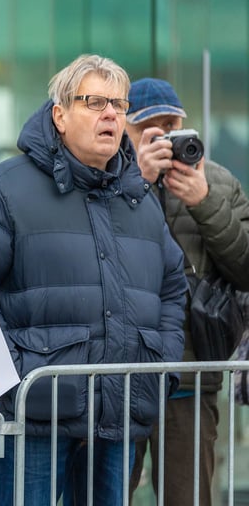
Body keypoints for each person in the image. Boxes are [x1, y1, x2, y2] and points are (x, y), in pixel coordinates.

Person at [0, 54, 188, 506]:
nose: (111, 114)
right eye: (94, 102)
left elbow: (173, 289)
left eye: (118, 104)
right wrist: (0, 385)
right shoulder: (5, 187)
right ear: (60, 115)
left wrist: (159, 370)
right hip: (29, 423)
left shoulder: (139, 200)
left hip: (118, 419)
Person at [125, 78, 249, 506]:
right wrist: (136, 181)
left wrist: (205, 201)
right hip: (116, 379)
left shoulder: (217, 182)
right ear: (127, 131)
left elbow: (246, 269)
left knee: (188, 497)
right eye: (151, 131)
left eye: (173, 128)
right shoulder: (107, 179)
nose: (165, 140)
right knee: (106, 494)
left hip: (190, 378)